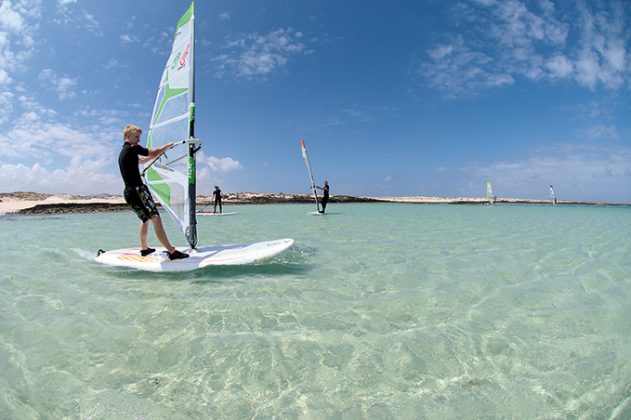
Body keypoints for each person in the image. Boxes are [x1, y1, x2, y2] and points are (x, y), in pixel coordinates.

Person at [118, 124, 189, 260]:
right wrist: (167, 146)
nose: (138, 140)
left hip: (129, 193)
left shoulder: (124, 152)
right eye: (137, 137)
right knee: (156, 218)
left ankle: (144, 249)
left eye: (139, 137)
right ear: (128, 136)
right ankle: (172, 252)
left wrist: (158, 154)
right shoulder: (133, 148)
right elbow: (153, 152)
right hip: (139, 191)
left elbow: (143, 159)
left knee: (145, 219)